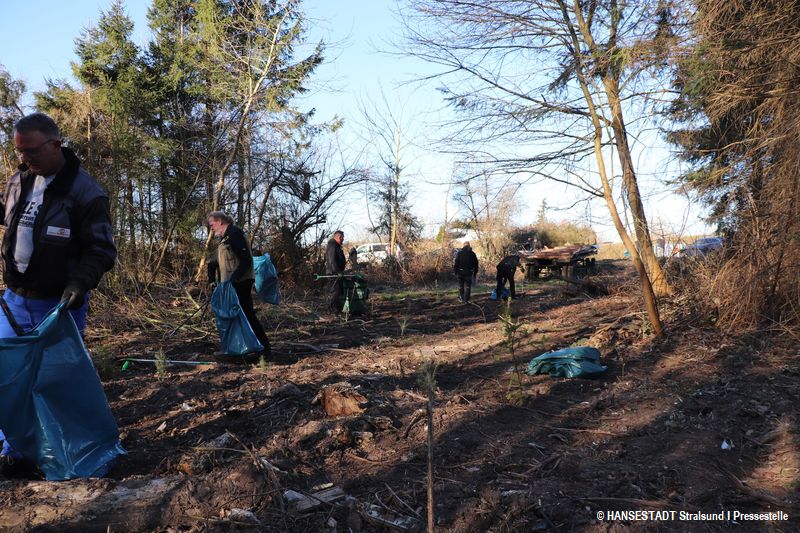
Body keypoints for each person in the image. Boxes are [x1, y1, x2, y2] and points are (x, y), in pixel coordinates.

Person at [0, 112, 117, 475]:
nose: (25, 159)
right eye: (19, 152)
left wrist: (79, 283)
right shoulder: (19, 180)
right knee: (8, 377)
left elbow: (101, 250)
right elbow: (11, 218)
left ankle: (61, 453)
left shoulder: (86, 193)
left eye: (31, 151)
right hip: (14, 299)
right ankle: (14, 452)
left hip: (59, 306)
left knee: (55, 383)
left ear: (55, 144)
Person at [207, 211, 271, 357]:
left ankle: (264, 350)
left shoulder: (235, 234)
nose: (211, 228)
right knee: (231, 318)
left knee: (247, 315)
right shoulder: (224, 239)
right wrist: (212, 282)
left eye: (212, 224)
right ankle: (236, 349)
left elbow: (246, 260)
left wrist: (234, 280)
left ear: (220, 221)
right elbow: (213, 263)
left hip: (240, 283)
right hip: (229, 285)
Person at [324, 230, 346, 313]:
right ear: (338, 237)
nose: (343, 240)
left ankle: (338, 309)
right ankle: (330, 310)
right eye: (342, 238)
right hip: (333, 273)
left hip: (338, 273)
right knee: (335, 292)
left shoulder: (336, 246)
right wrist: (337, 272)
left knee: (339, 291)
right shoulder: (332, 245)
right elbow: (332, 261)